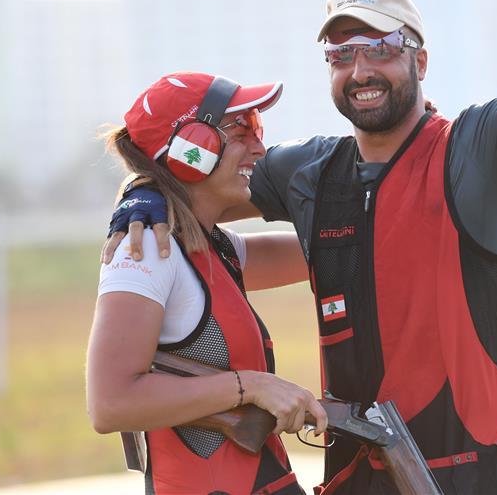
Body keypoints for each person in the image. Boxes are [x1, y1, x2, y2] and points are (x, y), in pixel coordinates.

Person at [103, 0, 497, 495]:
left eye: (380, 48)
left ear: (419, 61)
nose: (360, 69)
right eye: (341, 54)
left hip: (476, 475)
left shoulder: (476, 148)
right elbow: (196, 182)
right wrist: (141, 196)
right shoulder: (311, 172)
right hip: (356, 482)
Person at [87, 72, 328, 495]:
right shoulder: (145, 249)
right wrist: (251, 386)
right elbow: (110, 403)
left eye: (258, 127)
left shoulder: (210, 245)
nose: (258, 146)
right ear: (190, 151)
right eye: (241, 129)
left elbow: (326, 250)